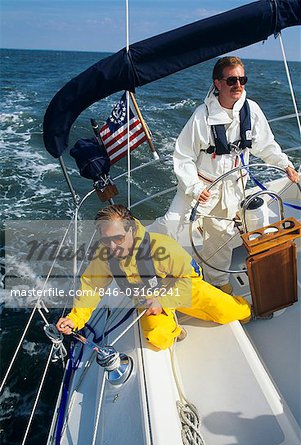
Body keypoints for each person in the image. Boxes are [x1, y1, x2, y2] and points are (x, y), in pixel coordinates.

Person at [149, 56, 299, 294]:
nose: (238, 85)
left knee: (221, 238)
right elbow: (182, 156)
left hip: (233, 188)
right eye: (231, 80)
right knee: (171, 225)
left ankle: (218, 284)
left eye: (242, 79)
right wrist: (195, 188)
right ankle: (135, 250)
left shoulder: (251, 111)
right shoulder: (202, 116)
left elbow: (266, 145)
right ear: (218, 83)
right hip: (200, 187)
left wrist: (285, 165)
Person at [56, 204, 251, 350]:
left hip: (182, 289)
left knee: (230, 312)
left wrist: (164, 301)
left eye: (118, 238)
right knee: (158, 338)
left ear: (131, 229)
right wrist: (75, 318)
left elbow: (190, 278)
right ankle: (174, 328)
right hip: (147, 300)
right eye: (106, 240)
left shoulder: (162, 247)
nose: (112, 247)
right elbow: (91, 285)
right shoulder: (105, 255)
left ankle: (245, 308)